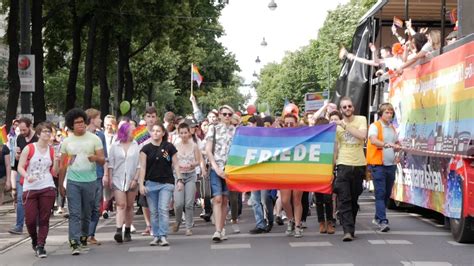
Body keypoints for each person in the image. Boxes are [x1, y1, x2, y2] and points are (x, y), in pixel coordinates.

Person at [58, 108, 105, 255]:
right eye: (77, 123)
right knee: (75, 213)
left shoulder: (94, 139)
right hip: (73, 182)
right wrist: (60, 185)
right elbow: (63, 165)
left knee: (87, 213)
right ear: (71, 125)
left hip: (90, 181)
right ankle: (74, 242)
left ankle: (84, 237)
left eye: (82, 122)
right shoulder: (67, 142)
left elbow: (103, 160)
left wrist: (95, 158)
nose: (81, 125)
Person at [17, 122, 59, 258]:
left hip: (47, 186)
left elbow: (55, 172)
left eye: (50, 132)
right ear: (39, 133)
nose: (48, 134)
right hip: (30, 188)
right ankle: (35, 240)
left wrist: (57, 161)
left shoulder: (52, 150)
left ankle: (41, 245)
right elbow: (20, 167)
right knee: (29, 220)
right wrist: (26, 176)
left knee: (44, 219)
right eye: (46, 131)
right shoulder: (30, 148)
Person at [139, 123, 184, 246]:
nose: (155, 133)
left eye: (158, 131)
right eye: (153, 131)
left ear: (163, 133)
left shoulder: (169, 147)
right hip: (150, 183)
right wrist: (141, 184)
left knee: (163, 209)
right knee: (154, 211)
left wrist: (180, 180)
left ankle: (163, 235)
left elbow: (175, 164)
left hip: (166, 183)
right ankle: (156, 235)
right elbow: (142, 168)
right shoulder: (145, 149)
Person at [333, 97, 367, 241]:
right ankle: (347, 230)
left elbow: (362, 136)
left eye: (349, 106)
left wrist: (344, 125)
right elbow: (335, 147)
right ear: (341, 110)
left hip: (358, 164)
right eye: (344, 107)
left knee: (354, 199)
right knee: (344, 199)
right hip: (343, 164)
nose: (347, 109)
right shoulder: (336, 126)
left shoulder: (361, 119)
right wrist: (333, 165)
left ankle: (350, 226)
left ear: (353, 108)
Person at [367, 103, 401, 232]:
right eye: (387, 112)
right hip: (378, 165)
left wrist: (398, 153)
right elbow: (373, 140)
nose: (389, 114)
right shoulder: (374, 126)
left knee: (386, 194)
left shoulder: (392, 128)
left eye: (391, 112)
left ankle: (377, 217)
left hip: (390, 165)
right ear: (381, 114)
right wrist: (386, 144)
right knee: (380, 193)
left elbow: (397, 143)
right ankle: (383, 221)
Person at [206, 105, 237, 242]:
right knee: (217, 198)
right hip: (215, 168)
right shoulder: (213, 128)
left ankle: (221, 227)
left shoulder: (235, 130)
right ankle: (217, 231)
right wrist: (216, 168)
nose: (227, 117)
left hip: (229, 170)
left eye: (229, 114)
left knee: (225, 199)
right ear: (219, 115)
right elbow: (208, 150)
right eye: (224, 114)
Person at [106, 122, 140, 243]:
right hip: (118, 179)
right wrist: (109, 178)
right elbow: (111, 164)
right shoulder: (115, 146)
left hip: (132, 179)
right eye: (131, 130)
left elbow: (139, 165)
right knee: (121, 205)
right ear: (125, 132)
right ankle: (118, 230)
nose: (134, 132)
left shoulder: (136, 145)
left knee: (130, 206)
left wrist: (136, 179)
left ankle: (127, 229)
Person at [172, 122, 205, 236]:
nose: (184, 135)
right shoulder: (175, 146)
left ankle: (188, 226)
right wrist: (176, 167)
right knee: (179, 203)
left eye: (185, 132)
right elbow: (171, 160)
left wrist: (193, 164)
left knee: (189, 203)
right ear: (179, 134)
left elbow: (198, 160)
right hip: (179, 176)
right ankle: (177, 221)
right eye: (181, 133)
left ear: (189, 133)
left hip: (191, 175)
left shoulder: (194, 145)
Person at [9, 117, 38, 235]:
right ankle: (19, 226)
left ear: (30, 126)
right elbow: (18, 158)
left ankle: (35, 224)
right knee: (21, 198)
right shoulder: (20, 138)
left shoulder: (37, 138)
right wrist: (17, 155)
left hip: (35, 173)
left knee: (35, 199)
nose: (22, 133)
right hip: (22, 172)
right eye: (20, 130)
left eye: (24, 130)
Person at [85, 108, 108, 245]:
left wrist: (105, 173)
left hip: (98, 175)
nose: (100, 120)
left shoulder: (101, 135)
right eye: (99, 118)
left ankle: (90, 234)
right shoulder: (80, 135)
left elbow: (104, 156)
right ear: (92, 119)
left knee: (95, 206)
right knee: (84, 205)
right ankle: (83, 233)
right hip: (83, 175)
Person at [279, 113, 305, 238]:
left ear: (296, 124)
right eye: (286, 123)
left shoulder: (303, 135)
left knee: (296, 199)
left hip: (299, 171)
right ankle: (290, 220)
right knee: (284, 200)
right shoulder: (278, 137)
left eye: (291, 123)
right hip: (283, 171)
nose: (289, 125)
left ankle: (298, 225)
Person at [248, 116, 274, 234]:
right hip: (253, 172)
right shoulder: (248, 139)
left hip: (264, 172)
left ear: (256, 124)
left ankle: (269, 221)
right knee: (255, 200)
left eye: (250, 125)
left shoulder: (266, 138)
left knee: (264, 199)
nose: (248, 127)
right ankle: (260, 224)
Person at [312, 117, 336, 234]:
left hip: (327, 172)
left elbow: (333, 158)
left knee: (328, 199)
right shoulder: (314, 140)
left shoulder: (331, 141)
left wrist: (331, 172)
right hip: (316, 173)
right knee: (319, 200)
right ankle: (321, 222)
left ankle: (330, 222)